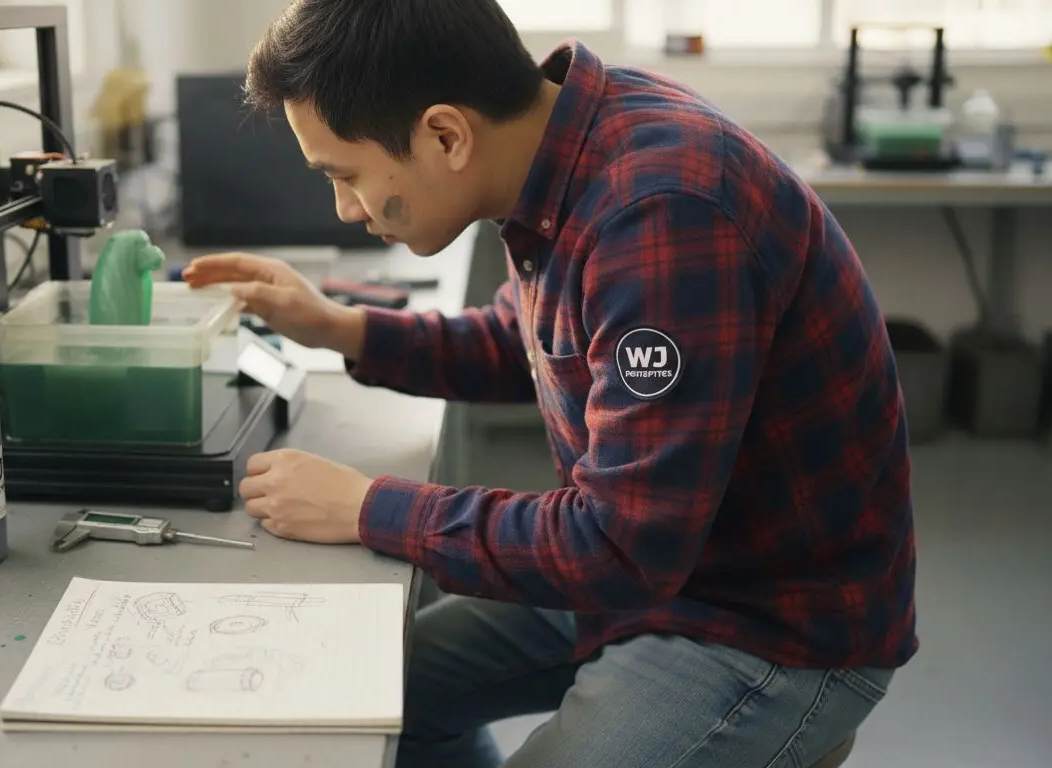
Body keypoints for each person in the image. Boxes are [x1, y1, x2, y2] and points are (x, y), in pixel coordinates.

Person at [182, 1, 918, 766]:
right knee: (370, 695)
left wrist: (367, 508)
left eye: (347, 174)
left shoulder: (660, 210)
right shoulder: (567, 143)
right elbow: (531, 341)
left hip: (767, 624)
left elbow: (620, 545)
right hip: (659, 573)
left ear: (444, 135)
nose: (344, 208)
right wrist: (340, 326)